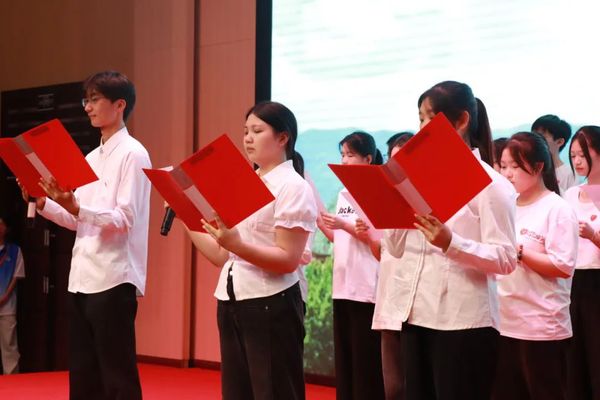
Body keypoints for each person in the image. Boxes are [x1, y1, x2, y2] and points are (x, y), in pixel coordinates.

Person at [19, 71, 151, 399]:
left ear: (119, 105)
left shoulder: (133, 153)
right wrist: (44, 203)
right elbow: (77, 218)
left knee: (117, 374)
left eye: (95, 100)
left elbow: (124, 219)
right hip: (82, 278)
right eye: (86, 100)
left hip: (114, 276)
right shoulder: (91, 157)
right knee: (83, 373)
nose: (88, 107)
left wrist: (77, 207)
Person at [384, 80, 517, 400]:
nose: (422, 129)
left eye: (431, 119)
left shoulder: (491, 184)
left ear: (461, 121)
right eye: (420, 119)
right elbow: (396, 249)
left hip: (463, 323)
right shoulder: (416, 178)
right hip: (415, 315)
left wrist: (451, 242)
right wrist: (390, 205)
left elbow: (506, 258)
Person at [182, 101, 316, 400]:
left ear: (283, 138)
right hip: (231, 299)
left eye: (257, 131)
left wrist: (237, 245)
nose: (248, 139)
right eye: (245, 132)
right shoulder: (245, 182)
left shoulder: (293, 187)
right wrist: (185, 215)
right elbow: (222, 256)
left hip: (271, 302)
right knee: (237, 392)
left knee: (274, 392)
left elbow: (288, 259)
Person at [494, 131, 578, 400]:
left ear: (539, 167)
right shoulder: (506, 206)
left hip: (542, 328)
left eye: (515, 167)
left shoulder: (557, 209)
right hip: (503, 322)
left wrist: (520, 253)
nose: (508, 174)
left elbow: (562, 267)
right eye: (503, 166)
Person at [317, 131, 385, 400]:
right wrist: (323, 221)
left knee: (364, 360)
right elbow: (340, 238)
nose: (344, 161)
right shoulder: (344, 193)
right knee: (345, 359)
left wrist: (343, 225)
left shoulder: (377, 190)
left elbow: (376, 239)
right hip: (342, 285)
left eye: (350, 155)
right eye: (342, 155)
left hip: (366, 287)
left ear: (368, 159)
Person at [358, 132, 413, 400]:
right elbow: (385, 253)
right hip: (389, 303)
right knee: (393, 389)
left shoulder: (427, 203)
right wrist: (371, 237)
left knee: (414, 386)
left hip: (417, 312)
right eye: (392, 162)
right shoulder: (387, 198)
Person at [564, 125, 600, 400]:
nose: (577, 161)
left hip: (597, 279)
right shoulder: (570, 194)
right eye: (573, 155)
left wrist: (593, 236)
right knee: (575, 354)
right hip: (573, 281)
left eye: (583, 155)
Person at [0, 216, 25, 375]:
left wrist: (4, 297)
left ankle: (12, 379)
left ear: (6, 229)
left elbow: (17, 276)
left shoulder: (15, 251)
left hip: (7, 306)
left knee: (9, 345)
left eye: (1, 224)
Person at [532, 114, 575, 195]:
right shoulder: (529, 168)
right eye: (533, 135)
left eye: (541, 137)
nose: (535, 140)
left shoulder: (569, 173)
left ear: (559, 142)